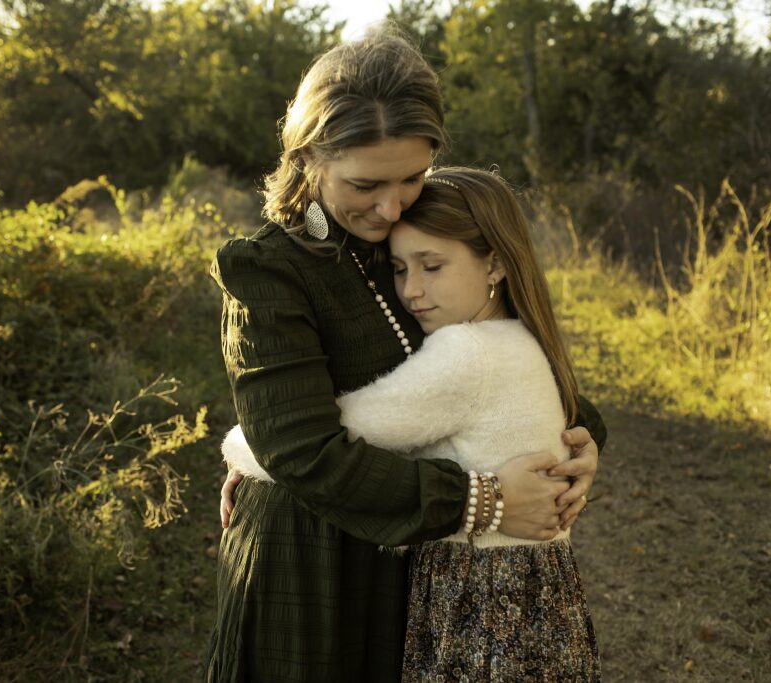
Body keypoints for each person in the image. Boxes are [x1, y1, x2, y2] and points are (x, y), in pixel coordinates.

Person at [205, 27, 606, 683]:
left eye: (412, 177)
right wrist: (484, 502)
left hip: (418, 561)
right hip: (311, 561)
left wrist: (581, 441)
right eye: (366, 183)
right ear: (310, 156)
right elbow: (301, 449)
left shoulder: (424, 236)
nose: (391, 206)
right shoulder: (271, 272)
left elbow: (507, 356)